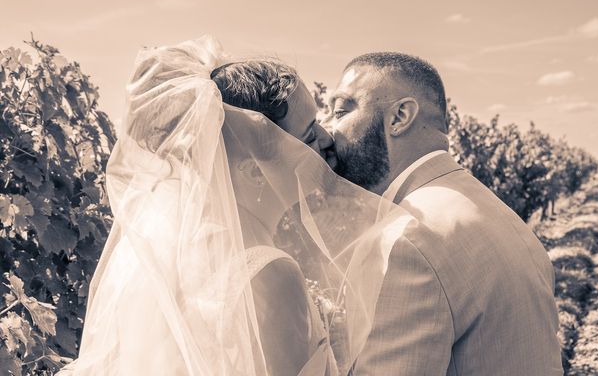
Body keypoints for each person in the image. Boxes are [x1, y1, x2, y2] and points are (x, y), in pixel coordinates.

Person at [61, 37, 412, 376]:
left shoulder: (171, 253)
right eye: (307, 135)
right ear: (254, 172)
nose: (326, 139)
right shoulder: (270, 273)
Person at [324, 52, 563, 375]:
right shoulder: (493, 211)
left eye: (341, 111)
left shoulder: (407, 240)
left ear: (399, 117)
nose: (327, 129)